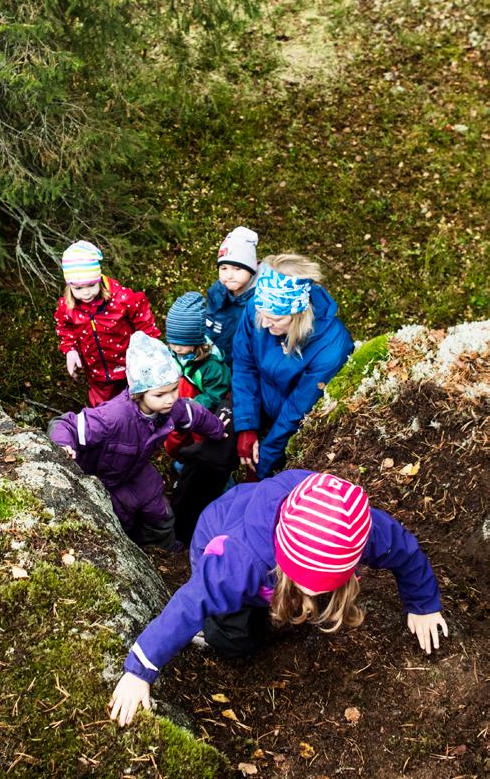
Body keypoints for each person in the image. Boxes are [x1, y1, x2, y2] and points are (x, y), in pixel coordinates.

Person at [109, 470, 449, 726]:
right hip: (216, 539)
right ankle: (224, 625)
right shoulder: (237, 561)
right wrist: (140, 670)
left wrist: (423, 604)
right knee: (235, 639)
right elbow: (190, 603)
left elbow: (403, 549)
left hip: (273, 567)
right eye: (305, 584)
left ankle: (290, 599)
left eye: (323, 585)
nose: (312, 592)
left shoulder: (354, 529)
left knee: (313, 606)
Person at [49, 331, 225, 549]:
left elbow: (194, 414)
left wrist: (219, 431)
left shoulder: (172, 407)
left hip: (135, 468)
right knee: (121, 516)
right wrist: (63, 446)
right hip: (100, 476)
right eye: (160, 394)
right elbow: (67, 424)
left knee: (160, 511)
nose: (170, 399)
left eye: (173, 389)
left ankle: (165, 552)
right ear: (138, 393)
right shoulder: (113, 416)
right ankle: (130, 546)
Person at [231, 254, 354, 480]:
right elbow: (244, 364)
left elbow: (297, 410)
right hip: (256, 397)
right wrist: (246, 424)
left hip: (288, 416)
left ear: (299, 314)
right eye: (262, 315)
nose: (265, 324)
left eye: (275, 319)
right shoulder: (258, 309)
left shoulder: (331, 347)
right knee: (213, 450)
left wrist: (261, 466)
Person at [164, 292, 237, 545]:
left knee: (207, 455)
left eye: (181, 344)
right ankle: (182, 467)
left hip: (202, 417)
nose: (175, 348)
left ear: (196, 341)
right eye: (171, 342)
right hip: (183, 411)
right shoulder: (175, 353)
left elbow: (216, 394)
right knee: (179, 445)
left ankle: (226, 491)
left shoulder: (211, 366)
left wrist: (194, 406)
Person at [54, 240, 160, 407]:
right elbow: (64, 327)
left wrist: (152, 347)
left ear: (99, 280)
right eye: (78, 288)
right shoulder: (68, 307)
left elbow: (143, 319)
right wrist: (70, 350)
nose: (86, 292)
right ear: (69, 286)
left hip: (130, 369)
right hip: (98, 374)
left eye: (91, 285)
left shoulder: (121, 299)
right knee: (104, 410)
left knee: (137, 405)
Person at [205, 226, 259, 367]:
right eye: (223, 268)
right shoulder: (216, 292)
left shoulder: (258, 300)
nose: (229, 275)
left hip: (244, 366)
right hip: (217, 361)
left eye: (237, 269)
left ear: (251, 271)